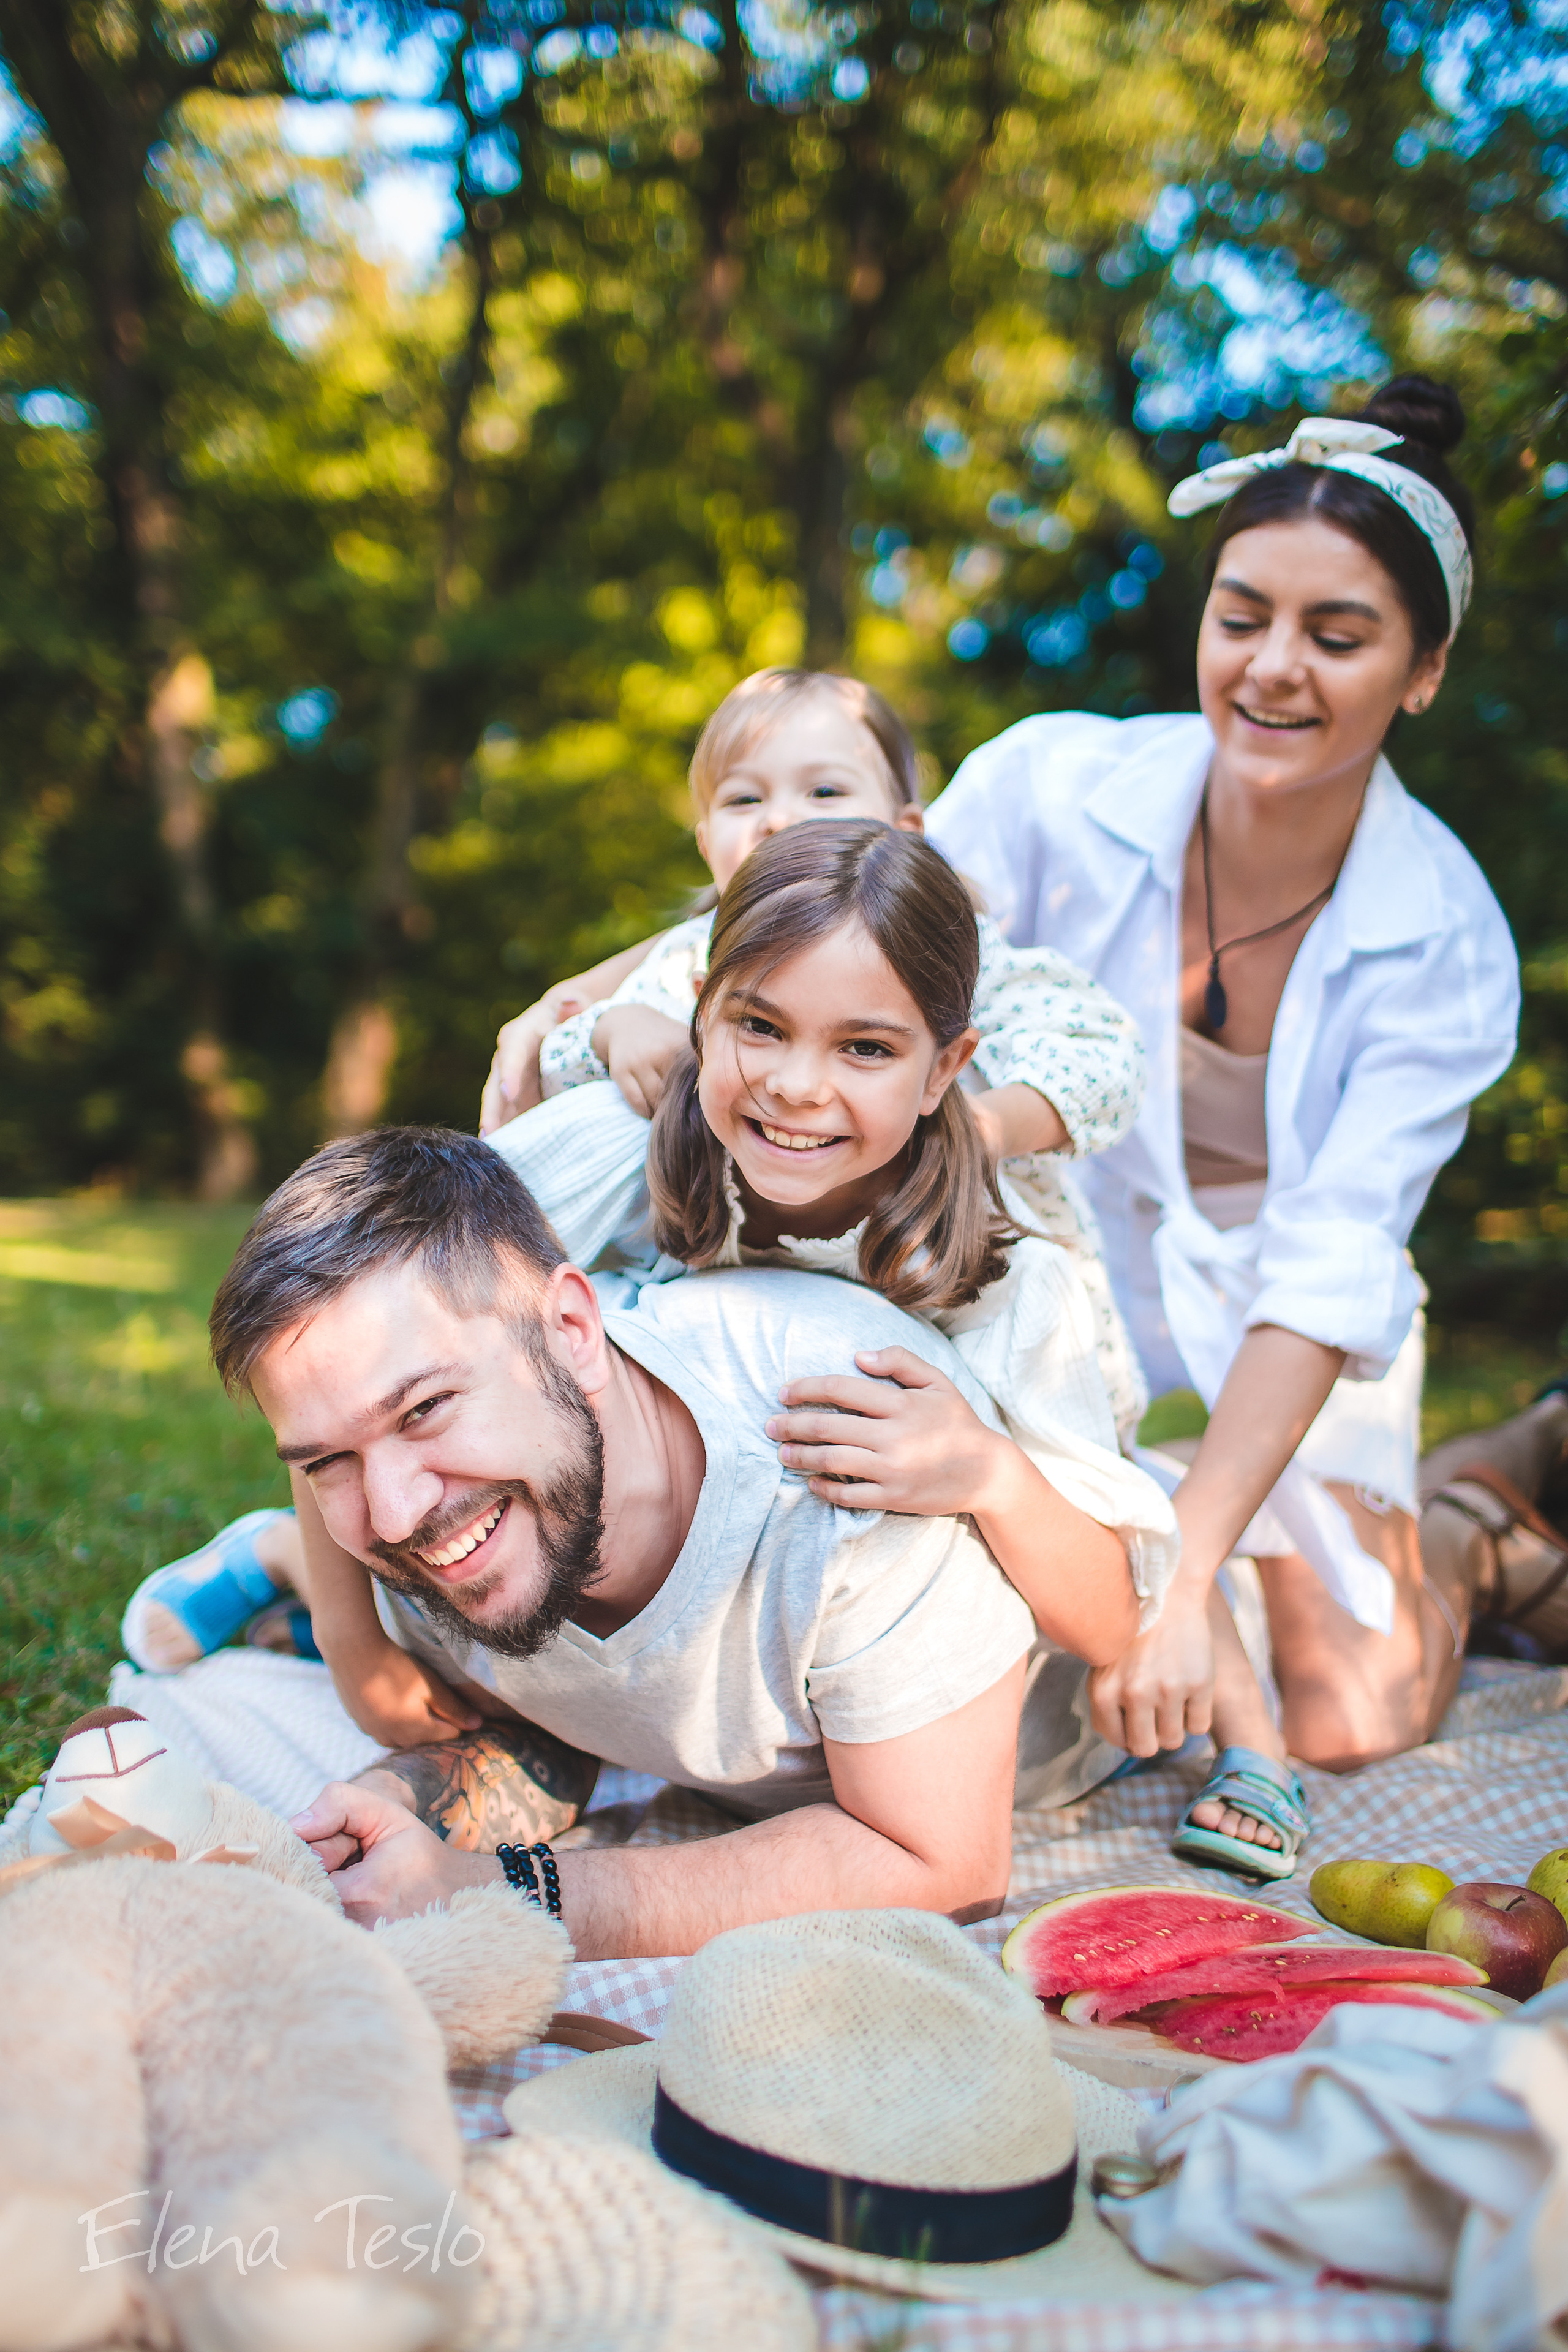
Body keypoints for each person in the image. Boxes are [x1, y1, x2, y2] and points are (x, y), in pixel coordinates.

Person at [924, 375, 1523, 1878]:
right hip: (1048, 1281)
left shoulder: (1444, 937)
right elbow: (840, 924)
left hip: (1275, 1324)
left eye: (1336, 637)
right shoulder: (1050, 784)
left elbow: (1328, 1264)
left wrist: (1175, 1569)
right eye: (1239, 616)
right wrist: (591, 1001)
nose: (1270, 670)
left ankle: (1482, 1506)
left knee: (1341, 1710)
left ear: (1423, 670)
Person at [206, 1126, 1045, 1956]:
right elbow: (343, 1402)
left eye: (422, 1410)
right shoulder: (457, 1495)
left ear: (572, 1331)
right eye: (329, 1462)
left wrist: (497, 1894)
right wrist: (353, 1682)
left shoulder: (853, 1467)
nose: (393, 1518)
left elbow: (943, 1863)